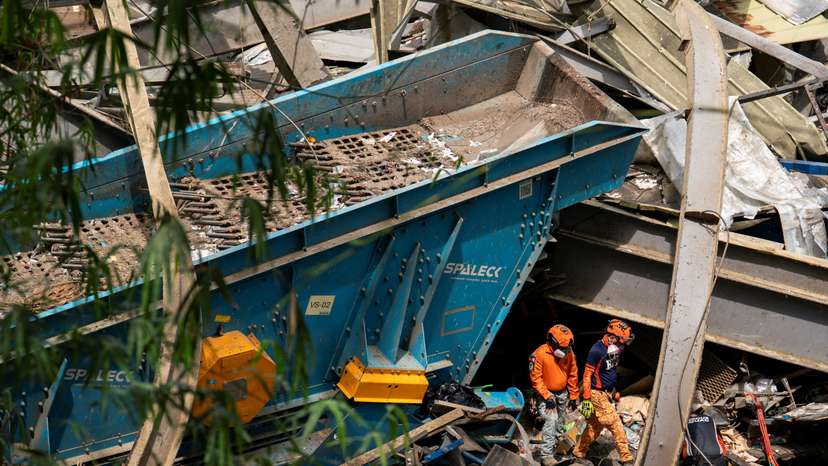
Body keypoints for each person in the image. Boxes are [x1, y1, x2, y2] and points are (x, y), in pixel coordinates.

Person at [573, 319, 635, 464]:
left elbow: (610, 371)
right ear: (613, 337)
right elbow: (587, 375)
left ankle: (579, 451)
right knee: (615, 423)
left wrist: (612, 392)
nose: (623, 345)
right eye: (622, 341)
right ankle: (626, 457)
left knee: (595, 426)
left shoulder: (616, 349)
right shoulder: (596, 351)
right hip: (595, 393)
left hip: (606, 393)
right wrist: (587, 397)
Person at [529, 324, 579, 465]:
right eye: (561, 348)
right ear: (551, 342)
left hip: (562, 393)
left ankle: (558, 448)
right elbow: (536, 379)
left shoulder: (569, 353)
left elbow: (573, 375)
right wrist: (547, 396)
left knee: (560, 422)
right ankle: (546, 457)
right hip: (546, 393)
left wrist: (573, 396)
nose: (564, 351)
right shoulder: (539, 354)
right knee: (550, 422)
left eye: (566, 348)